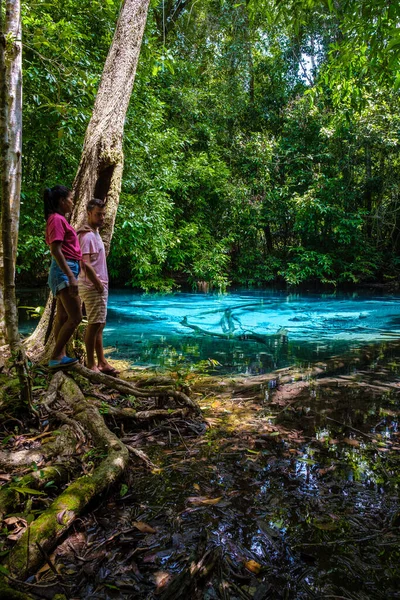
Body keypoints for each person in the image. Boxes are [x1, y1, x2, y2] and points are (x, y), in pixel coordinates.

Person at [44, 185, 103, 370]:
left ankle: (59, 354)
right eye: (70, 199)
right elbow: (56, 250)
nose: (73, 202)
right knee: (76, 317)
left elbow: (65, 245)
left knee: (62, 317)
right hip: (65, 271)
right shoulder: (56, 219)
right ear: (62, 201)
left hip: (67, 269)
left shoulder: (60, 219)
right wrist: (71, 277)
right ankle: (55, 357)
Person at [77, 198, 119, 375]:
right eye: (97, 214)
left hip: (99, 286)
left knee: (100, 324)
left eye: (103, 214)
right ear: (88, 214)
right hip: (93, 286)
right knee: (94, 325)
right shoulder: (87, 236)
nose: (101, 217)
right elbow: (84, 264)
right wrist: (98, 285)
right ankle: (91, 364)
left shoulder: (94, 233)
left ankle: (101, 362)